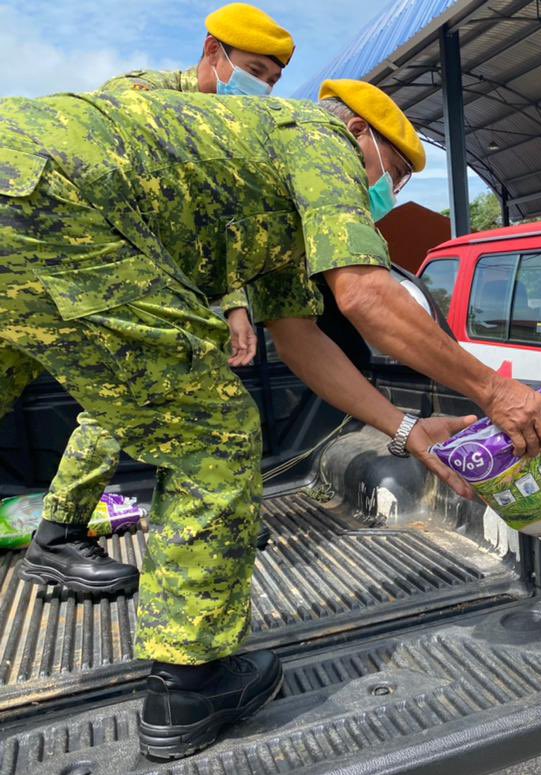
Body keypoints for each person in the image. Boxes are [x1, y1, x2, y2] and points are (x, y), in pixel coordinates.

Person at [0, 81, 541, 759]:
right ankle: (190, 684)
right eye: (396, 173)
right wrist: (493, 392)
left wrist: (407, 430)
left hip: (24, 193)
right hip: (47, 201)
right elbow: (364, 295)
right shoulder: (318, 140)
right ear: (358, 132)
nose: (391, 193)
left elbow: (300, 339)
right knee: (215, 432)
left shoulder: (265, 191)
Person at [26, 2, 296, 596]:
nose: (263, 89)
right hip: (117, 276)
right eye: (254, 70)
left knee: (209, 408)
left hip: (186, 290)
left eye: (274, 81)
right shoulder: (140, 95)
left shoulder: (231, 135)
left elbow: (221, 228)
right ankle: (59, 534)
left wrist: (236, 303)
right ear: (211, 53)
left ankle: (219, 520)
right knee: (117, 406)